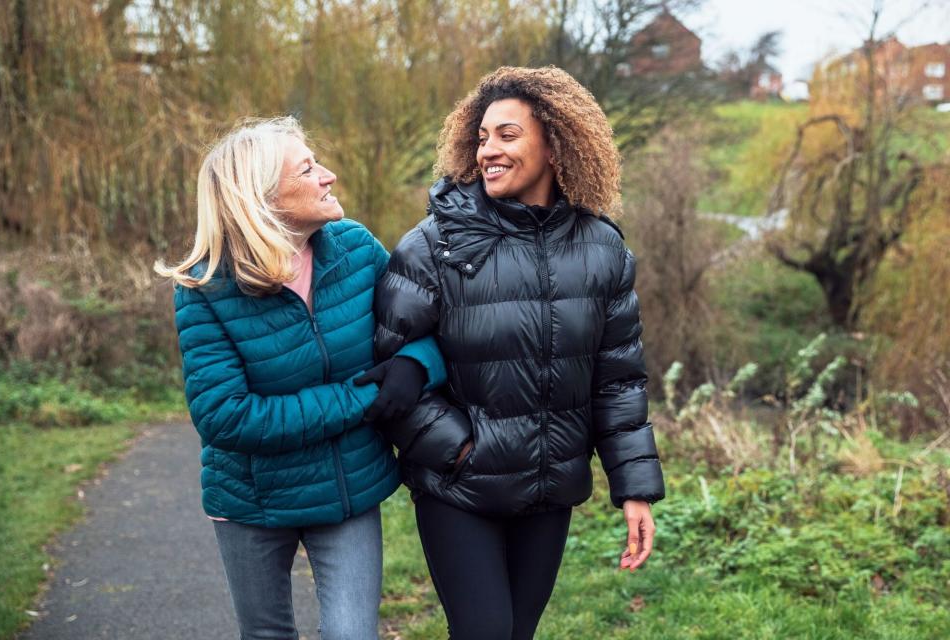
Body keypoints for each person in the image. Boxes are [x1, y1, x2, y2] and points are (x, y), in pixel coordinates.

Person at [369, 67, 666, 640]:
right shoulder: (433, 245)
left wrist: (633, 489)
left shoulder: (603, 249)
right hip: (462, 489)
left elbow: (618, 379)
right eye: (482, 138)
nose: (489, 151)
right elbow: (394, 367)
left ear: (556, 143)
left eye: (507, 135)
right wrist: (459, 451)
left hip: (547, 491)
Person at [155, 116, 444, 640]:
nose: (328, 175)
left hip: (349, 491)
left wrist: (416, 365)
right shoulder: (204, 288)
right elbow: (225, 416)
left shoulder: (355, 249)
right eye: (308, 168)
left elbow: (426, 327)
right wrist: (361, 400)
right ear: (260, 196)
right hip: (252, 501)